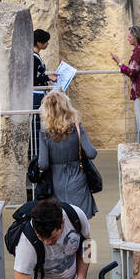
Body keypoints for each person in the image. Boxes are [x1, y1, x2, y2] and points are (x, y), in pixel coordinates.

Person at [37, 89, 99, 218]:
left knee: (61, 222)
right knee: (80, 221)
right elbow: (92, 153)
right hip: (77, 179)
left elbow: (43, 164)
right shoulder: (76, 128)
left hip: (56, 183)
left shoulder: (44, 133)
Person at [31, 29, 56, 163]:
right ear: (39, 43)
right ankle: (35, 152)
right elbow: (34, 78)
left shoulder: (36, 56)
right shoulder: (34, 57)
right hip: (36, 94)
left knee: (39, 122)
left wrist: (48, 77)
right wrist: (48, 77)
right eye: (45, 41)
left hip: (39, 93)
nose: (47, 44)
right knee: (36, 123)